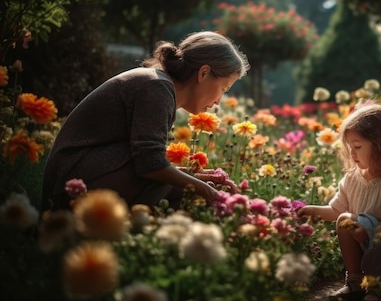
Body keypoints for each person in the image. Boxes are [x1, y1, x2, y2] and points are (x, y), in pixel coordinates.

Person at [42, 31, 249, 210]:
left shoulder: (160, 86)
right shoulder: (157, 87)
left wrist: (200, 179)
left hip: (85, 173)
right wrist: (206, 190)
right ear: (204, 73)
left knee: (182, 191)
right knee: (169, 185)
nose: (219, 101)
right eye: (224, 88)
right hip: (70, 185)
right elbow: (149, 165)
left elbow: (148, 159)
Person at [297, 101, 381, 301]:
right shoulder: (353, 177)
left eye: (358, 147)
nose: (352, 154)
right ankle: (355, 282)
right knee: (345, 219)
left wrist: (372, 232)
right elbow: (336, 211)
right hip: (361, 237)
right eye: (350, 147)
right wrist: (312, 210)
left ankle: (376, 287)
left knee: (380, 233)